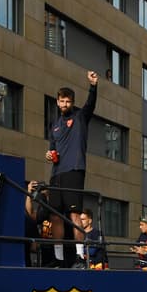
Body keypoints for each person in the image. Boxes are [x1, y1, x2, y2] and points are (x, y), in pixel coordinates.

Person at [48, 71, 99, 266]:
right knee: (55, 216)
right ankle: (58, 258)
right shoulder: (54, 125)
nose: (64, 105)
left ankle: (79, 255)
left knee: (74, 214)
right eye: (61, 101)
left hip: (74, 170)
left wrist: (93, 86)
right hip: (56, 173)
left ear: (72, 102)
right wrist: (49, 154)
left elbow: (90, 104)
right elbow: (51, 149)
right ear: (57, 102)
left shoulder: (80, 117)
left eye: (68, 102)